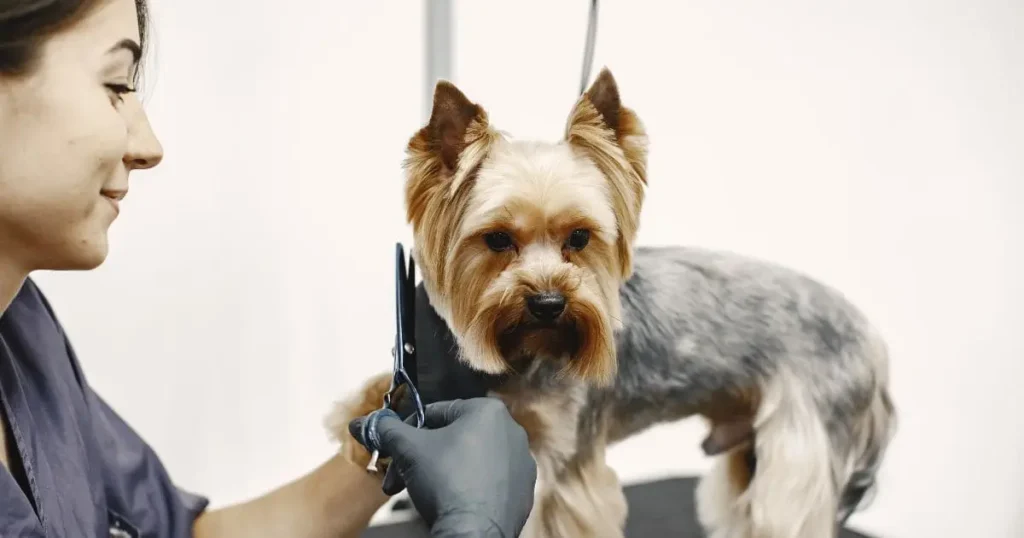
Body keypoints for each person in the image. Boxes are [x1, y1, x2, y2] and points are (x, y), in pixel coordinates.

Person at [0, 1, 538, 537]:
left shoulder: (23, 336)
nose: (149, 147)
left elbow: (180, 534)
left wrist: (402, 420)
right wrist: (473, 527)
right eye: (116, 84)